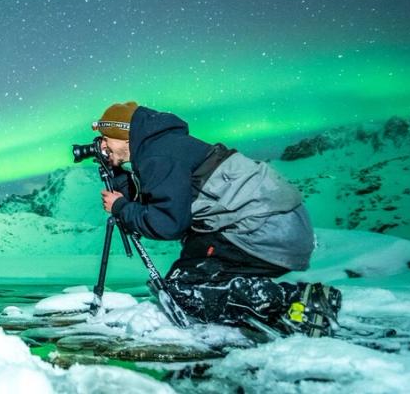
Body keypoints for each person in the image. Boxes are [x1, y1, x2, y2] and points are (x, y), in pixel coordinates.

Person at [94, 101, 341, 336]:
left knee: (181, 292)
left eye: (106, 140)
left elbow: (168, 224)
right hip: (270, 227)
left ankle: (295, 301)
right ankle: (260, 305)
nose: (103, 146)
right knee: (187, 280)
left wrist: (120, 208)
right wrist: (116, 176)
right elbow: (155, 203)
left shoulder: (157, 156)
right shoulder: (164, 146)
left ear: (123, 135)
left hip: (263, 231)